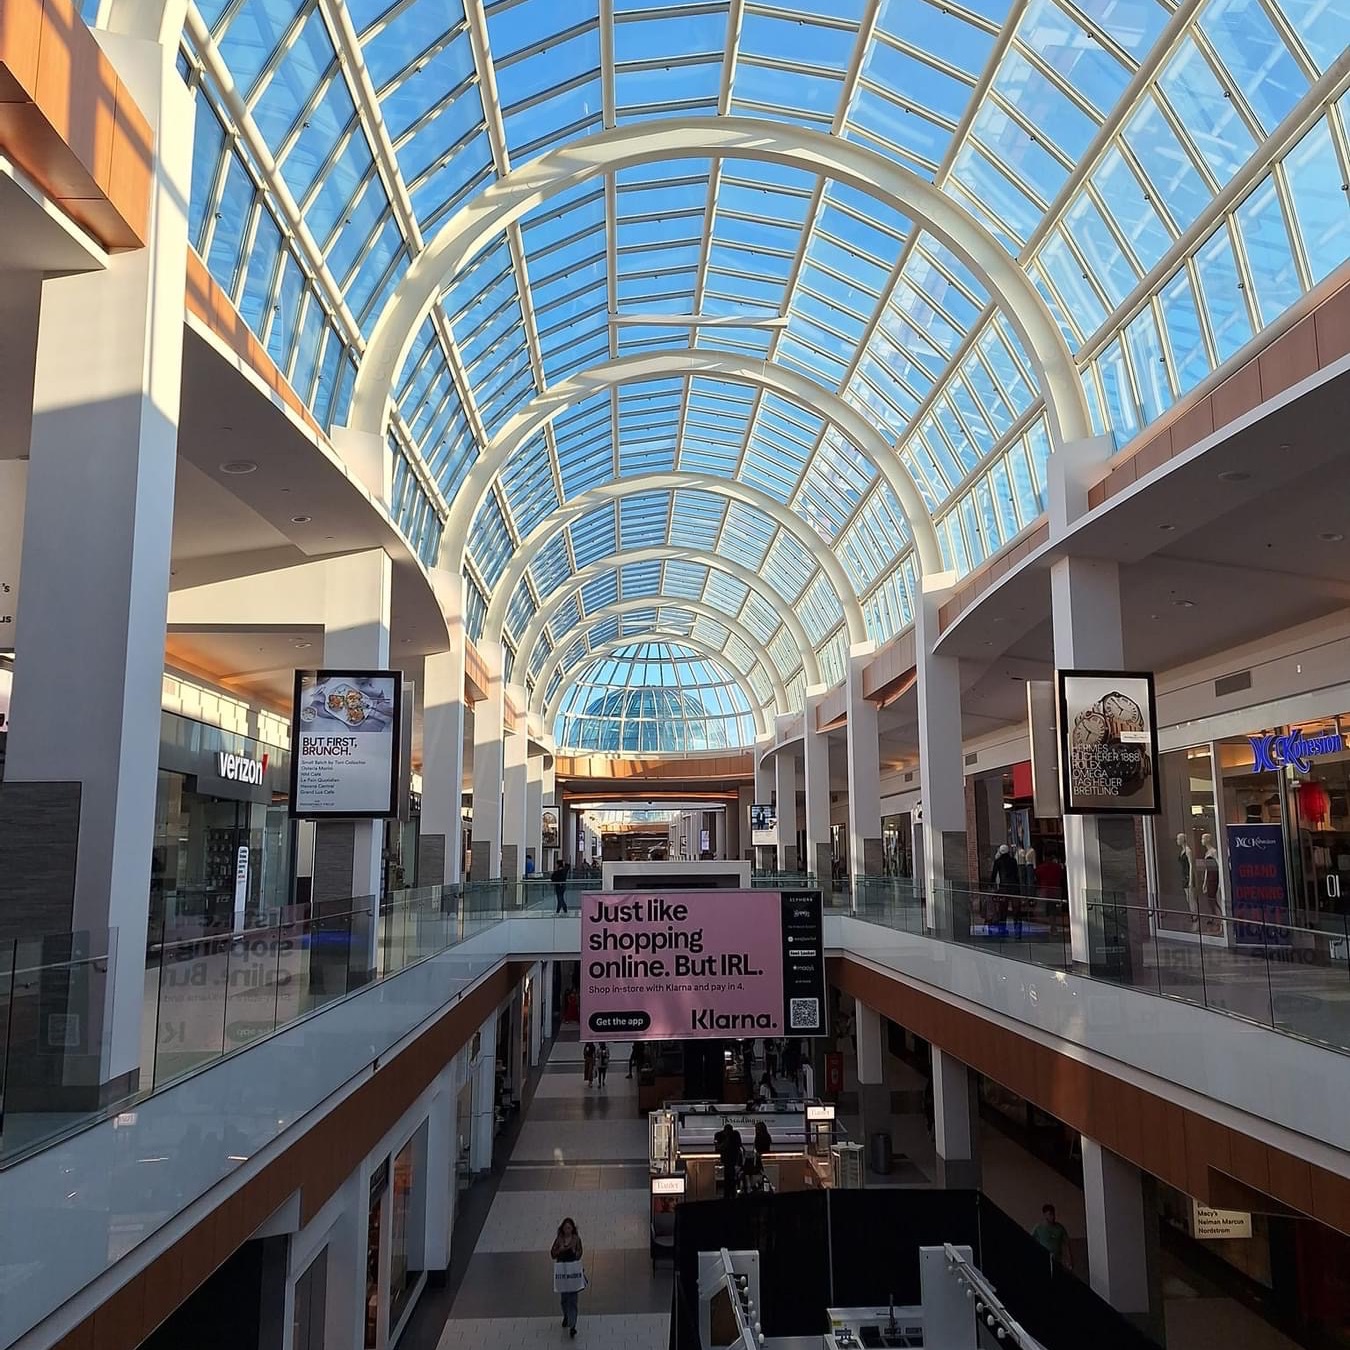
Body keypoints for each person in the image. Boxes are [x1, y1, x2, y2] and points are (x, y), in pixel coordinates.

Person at [551, 1217, 585, 1337]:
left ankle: (573, 1324)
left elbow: (580, 1253)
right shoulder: (559, 1240)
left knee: (573, 1300)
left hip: (572, 1272)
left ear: (573, 1229)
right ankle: (566, 1315)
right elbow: (552, 1254)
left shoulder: (576, 1240)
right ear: (562, 1229)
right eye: (565, 1227)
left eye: (569, 1227)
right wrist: (559, 1250)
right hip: (562, 1272)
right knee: (564, 1299)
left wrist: (575, 1252)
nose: (567, 1229)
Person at [1031, 1204, 1073, 1272]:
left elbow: (1067, 1244)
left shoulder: (1060, 1228)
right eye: (1050, 1214)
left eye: (1053, 1214)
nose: (1052, 1217)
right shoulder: (1038, 1228)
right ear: (1044, 1215)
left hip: (1057, 1260)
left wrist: (1070, 1259)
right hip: (1043, 1260)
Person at [715, 1122, 744, 1200]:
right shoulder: (719, 1135)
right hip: (725, 1160)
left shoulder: (735, 1135)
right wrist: (727, 1139)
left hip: (733, 1160)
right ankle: (728, 1195)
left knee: (732, 1178)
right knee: (728, 1178)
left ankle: (732, 1194)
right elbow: (718, 1148)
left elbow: (739, 1148)